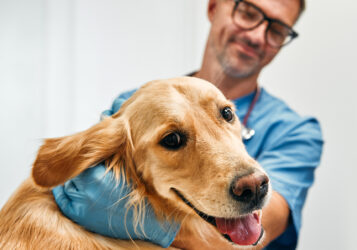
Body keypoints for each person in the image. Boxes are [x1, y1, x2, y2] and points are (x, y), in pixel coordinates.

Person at [52, 0, 323, 249]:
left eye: (276, 30)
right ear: (214, 7)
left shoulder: (295, 131)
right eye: (248, 13)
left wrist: (145, 223)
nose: (255, 36)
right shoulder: (132, 107)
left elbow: (255, 234)